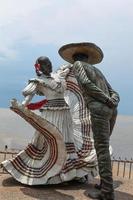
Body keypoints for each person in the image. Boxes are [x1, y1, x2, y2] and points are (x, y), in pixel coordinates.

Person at [1, 56, 97, 185]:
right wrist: (21, 107)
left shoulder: (59, 76)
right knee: (52, 141)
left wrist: (77, 61)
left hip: (65, 113)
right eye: (46, 64)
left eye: (50, 63)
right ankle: (54, 176)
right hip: (50, 114)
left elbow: (70, 67)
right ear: (40, 66)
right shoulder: (37, 81)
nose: (49, 66)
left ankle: (71, 174)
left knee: (67, 141)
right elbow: (28, 97)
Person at [58, 42, 120, 200]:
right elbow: (114, 91)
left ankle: (107, 192)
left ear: (75, 59)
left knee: (102, 148)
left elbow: (85, 83)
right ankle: (106, 184)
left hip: (99, 108)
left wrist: (106, 99)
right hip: (112, 110)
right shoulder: (97, 70)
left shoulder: (78, 65)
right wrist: (113, 100)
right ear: (88, 58)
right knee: (103, 147)